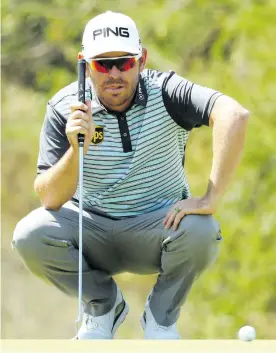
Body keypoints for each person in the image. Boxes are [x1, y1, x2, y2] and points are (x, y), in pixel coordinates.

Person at [12, 11, 249, 340]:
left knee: (202, 229)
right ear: (84, 64)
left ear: (141, 60)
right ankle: (103, 307)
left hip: (156, 229)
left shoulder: (166, 92)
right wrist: (76, 149)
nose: (113, 74)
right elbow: (49, 198)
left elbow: (234, 115)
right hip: (90, 227)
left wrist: (212, 197)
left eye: (123, 63)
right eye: (101, 64)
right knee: (30, 234)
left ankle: (161, 319)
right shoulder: (64, 107)